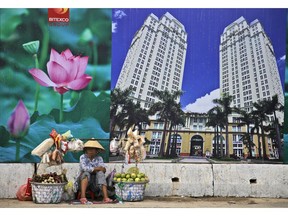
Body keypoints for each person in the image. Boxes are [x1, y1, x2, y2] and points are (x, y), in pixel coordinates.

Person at [74, 140, 114, 204]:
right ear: (86, 150)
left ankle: (106, 197)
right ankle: (83, 197)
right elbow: (85, 168)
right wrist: (97, 168)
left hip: (95, 184)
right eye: (89, 149)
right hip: (83, 182)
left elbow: (103, 169)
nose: (90, 151)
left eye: (93, 149)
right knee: (86, 173)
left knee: (100, 173)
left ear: (96, 151)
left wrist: (98, 169)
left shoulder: (99, 158)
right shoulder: (82, 157)